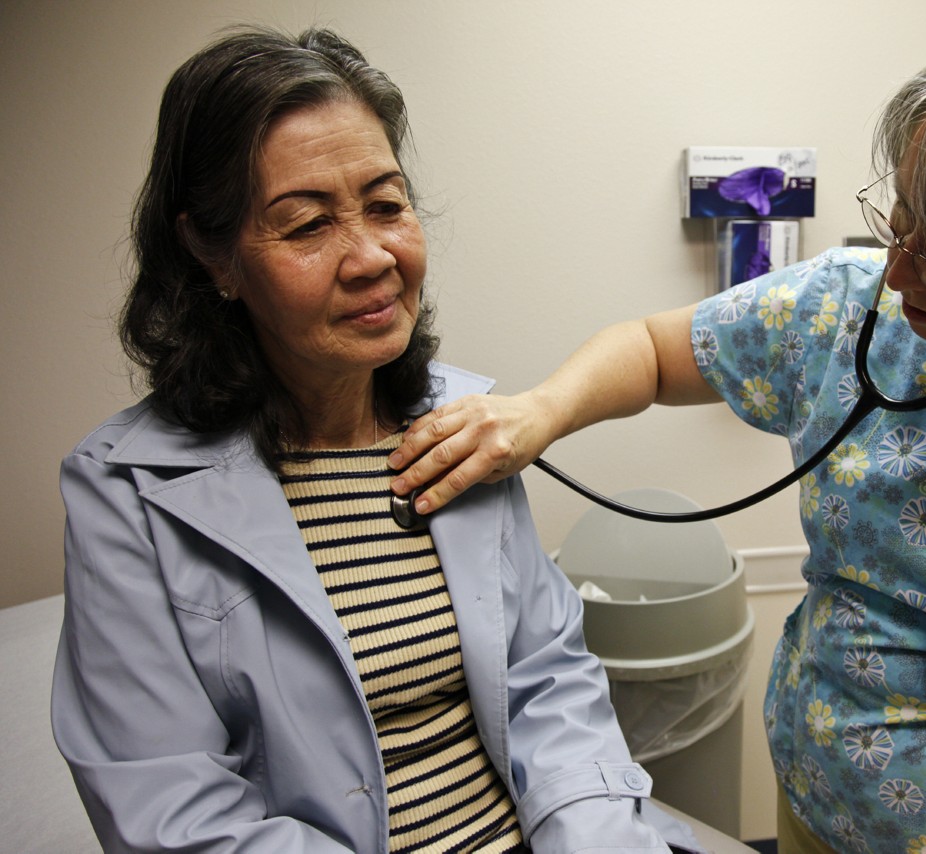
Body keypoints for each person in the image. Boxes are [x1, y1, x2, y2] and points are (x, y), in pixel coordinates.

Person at [388, 1, 926, 851]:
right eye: (900, 224)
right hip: (819, 805)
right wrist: (542, 411)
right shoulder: (844, 318)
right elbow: (656, 352)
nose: (898, 273)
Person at [51, 26, 703, 854]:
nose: (371, 257)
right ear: (211, 254)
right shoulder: (128, 498)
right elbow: (175, 815)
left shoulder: (463, 429)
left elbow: (550, 684)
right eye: (306, 225)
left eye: (387, 206)